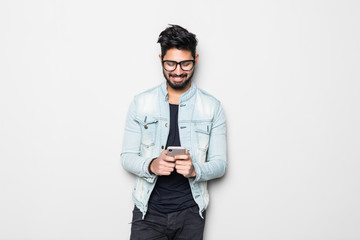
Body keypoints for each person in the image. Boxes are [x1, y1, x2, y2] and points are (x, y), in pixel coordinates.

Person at [121, 24, 227, 240]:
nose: (178, 71)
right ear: (160, 59)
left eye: (185, 63)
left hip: (190, 214)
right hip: (147, 213)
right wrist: (151, 165)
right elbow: (126, 158)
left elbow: (220, 164)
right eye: (171, 63)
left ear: (195, 60)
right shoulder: (141, 104)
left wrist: (195, 170)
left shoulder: (212, 107)